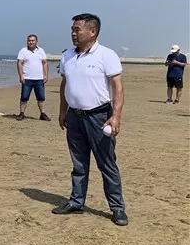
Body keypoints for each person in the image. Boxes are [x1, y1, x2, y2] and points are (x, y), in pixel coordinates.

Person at [53, 13, 128, 227]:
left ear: (92, 31)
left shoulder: (106, 55)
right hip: (74, 117)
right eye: (72, 30)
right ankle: (77, 202)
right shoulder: (67, 56)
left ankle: (117, 208)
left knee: (107, 164)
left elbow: (118, 88)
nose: (73, 33)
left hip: (99, 117)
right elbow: (65, 84)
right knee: (78, 163)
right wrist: (63, 110)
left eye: (77, 29)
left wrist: (115, 116)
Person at [16, 34, 50, 121]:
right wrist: (21, 76)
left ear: (36, 41)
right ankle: (21, 113)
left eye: (32, 40)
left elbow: (45, 63)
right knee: (24, 97)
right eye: (29, 40)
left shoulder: (41, 50)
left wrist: (46, 75)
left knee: (41, 97)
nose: (31, 42)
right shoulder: (23, 51)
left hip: (39, 78)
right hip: (27, 78)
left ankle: (42, 114)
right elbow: (19, 63)